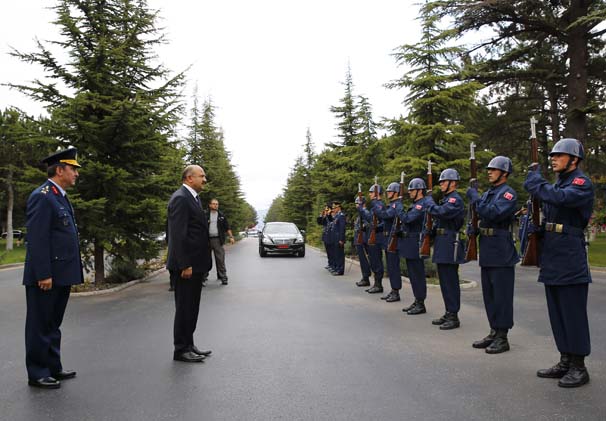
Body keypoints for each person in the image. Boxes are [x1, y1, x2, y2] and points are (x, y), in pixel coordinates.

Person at [524, 138, 594, 388]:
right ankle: (565, 359)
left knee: (572, 313)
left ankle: (579, 365)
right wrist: (541, 229)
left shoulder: (580, 183)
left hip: (570, 256)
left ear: (574, 160)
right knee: (557, 313)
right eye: (552, 155)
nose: (553, 159)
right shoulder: (558, 183)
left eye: (559, 155)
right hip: (553, 254)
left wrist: (536, 182)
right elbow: (554, 207)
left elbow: (561, 199)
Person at [23, 147, 83, 389]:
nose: (77, 174)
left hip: (61, 274)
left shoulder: (59, 195)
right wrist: (44, 274)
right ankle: (37, 372)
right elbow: (37, 239)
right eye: (73, 169)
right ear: (60, 170)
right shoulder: (43, 195)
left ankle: (52, 367)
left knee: (52, 323)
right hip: (47, 275)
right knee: (40, 324)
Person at [467, 156, 519, 353]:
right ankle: (493, 331)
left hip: (501, 250)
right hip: (488, 248)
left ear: (504, 173)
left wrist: (475, 198)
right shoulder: (490, 193)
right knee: (489, 295)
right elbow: (481, 214)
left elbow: (494, 213)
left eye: (494, 169)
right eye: (488, 169)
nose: (489, 172)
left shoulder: (508, 194)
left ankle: (503, 336)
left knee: (501, 296)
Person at [167, 165, 213, 363]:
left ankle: (189, 344)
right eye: (201, 176)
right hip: (187, 266)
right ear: (189, 178)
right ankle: (180, 349)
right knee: (185, 307)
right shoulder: (180, 198)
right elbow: (177, 235)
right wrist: (185, 264)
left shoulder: (193, 197)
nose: (205, 179)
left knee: (192, 307)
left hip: (196, 265)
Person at [425, 169, 466, 330]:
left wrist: (429, 203)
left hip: (450, 243)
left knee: (450, 281)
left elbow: (441, 212)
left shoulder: (455, 200)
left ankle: (454, 315)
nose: (441, 184)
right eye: (441, 182)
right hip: (443, 242)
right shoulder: (446, 199)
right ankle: (449, 311)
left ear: (453, 183)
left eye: (444, 181)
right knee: (444, 281)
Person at [399, 178, 430, 315]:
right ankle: (417, 300)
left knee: (417, 274)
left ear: (419, 190)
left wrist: (399, 209)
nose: (409, 192)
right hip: (410, 243)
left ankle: (421, 303)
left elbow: (408, 219)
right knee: (413, 274)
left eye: (412, 190)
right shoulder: (416, 204)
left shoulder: (420, 205)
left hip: (416, 243)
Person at [372, 182, 404, 303]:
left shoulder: (397, 205)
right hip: (389, 239)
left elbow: (385, 215)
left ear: (396, 193)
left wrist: (375, 205)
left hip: (394, 240)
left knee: (394, 267)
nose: (388, 193)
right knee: (390, 267)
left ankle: (396, 291)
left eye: (390, 192)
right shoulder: (392, 205)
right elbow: (386, 222)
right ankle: (393, 290)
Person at [206, 198, 235, 286]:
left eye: (217, 204)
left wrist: (231, 237)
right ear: (210, 205)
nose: (216, 205)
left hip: (217, 240)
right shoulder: (205, 214)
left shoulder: (221, 215)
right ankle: (203, 277)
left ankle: (223, 277)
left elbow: (227, 227)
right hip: (206, 240)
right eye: (214, 204)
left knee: (220, 259)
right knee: (205, 259)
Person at [365, 184, 386, 294]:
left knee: (376, 260)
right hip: (372, 235)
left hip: (377, 236)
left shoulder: (380, 206)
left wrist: (376, 227)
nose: (369, 194)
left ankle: (379, 284)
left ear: (377, 194)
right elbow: (370, 219)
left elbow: (383, 222)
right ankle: (376, 283)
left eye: (371, 192)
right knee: (373, 259)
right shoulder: (375, 205)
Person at [353, 194, 372, 287]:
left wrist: (363, 227)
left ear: (362, 204)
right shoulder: (360, 213)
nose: (356, 205)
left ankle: (366, 277)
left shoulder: (366, 212)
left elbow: (368, 224)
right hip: (359, 239)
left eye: (358, 203)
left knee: (365, 259)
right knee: (362, 259)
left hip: (364, 239)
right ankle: (365, 277)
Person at [330, 201, 346, 276]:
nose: (333, 209)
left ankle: (340, 270)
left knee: (340, 255)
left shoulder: (341, 216)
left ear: (338, 207)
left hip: (339, 238)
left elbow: (342, 228)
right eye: (333, 208)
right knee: (336, 254)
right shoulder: (336, 216)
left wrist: (341, 239)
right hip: (335, 238)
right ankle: (337, 268)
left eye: (335, 208)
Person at [316, 204, 333, 271]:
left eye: (327, 209)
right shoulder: (325, 216)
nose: (325, 211)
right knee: (328, 251)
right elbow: (319, 222)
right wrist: (321, 215)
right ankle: (330, 263)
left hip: (331, 236)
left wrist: (328, 214)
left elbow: (331, 221)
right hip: (326, 235)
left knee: (331, 251)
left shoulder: (331, 216)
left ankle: (332, 264)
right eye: (325, 209)